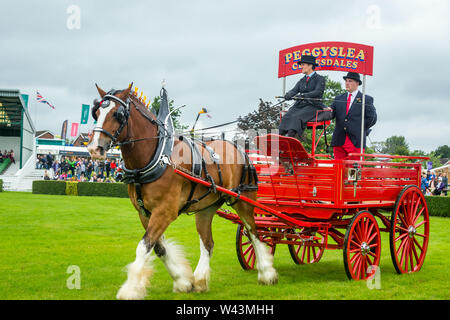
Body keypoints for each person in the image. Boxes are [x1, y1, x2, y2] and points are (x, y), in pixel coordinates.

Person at [328, 72, 377, 160]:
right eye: (346, 81)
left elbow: (372, 118)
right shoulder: (338, 98)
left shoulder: (366, 99)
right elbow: (330, 114)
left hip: (356, 141)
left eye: (350, 81)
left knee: (354, 170)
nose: (347, 83)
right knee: (339, 169)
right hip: (339, 140)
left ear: (357, 83)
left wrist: (361, 129)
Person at [279, 54, 326, 139]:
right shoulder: (302, 80)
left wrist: (303, 95)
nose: (301, 67)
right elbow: (294, 90)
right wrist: (288, 95)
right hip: (300, 105)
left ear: (310, 65)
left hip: (313, 105)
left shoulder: (320, 79)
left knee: (296, 117)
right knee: (286, 116)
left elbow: (318, 92)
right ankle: (279, 139)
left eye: (303, 64)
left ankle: (290, 137)